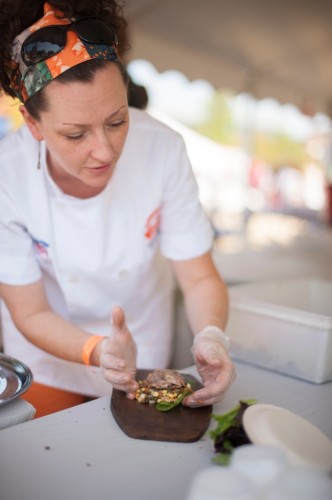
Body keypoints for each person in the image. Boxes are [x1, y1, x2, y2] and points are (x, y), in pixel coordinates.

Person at [0, 0, 235, 416]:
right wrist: (97, 350)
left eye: (117, 121)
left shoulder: (163, 149)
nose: (105, 151)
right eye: (76, 135)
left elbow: (198, 277)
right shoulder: (7, 174)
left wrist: (211, 335)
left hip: (142, 355)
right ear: (32, 124)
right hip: (48, 363)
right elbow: (29, 310)